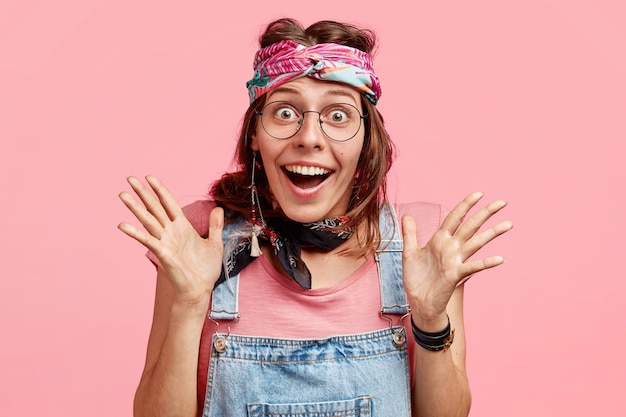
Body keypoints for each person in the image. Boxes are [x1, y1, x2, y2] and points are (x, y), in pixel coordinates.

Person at [118, 18, 512, 417]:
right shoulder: (199, 237)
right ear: (255, 133)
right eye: (285, 112)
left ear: (365, 140)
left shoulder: (422, 241)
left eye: (338, 115)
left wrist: (429, 319)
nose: (309, 136)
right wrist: (189, 303)